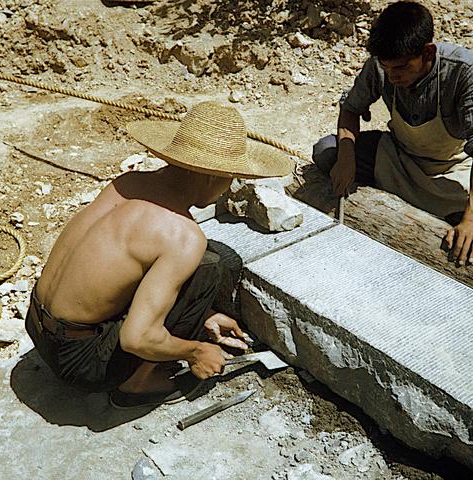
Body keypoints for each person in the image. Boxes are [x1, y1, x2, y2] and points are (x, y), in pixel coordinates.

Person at [25, 101, 293, 408]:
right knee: (210, 265)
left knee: (203, 260)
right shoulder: (181, 234)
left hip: (37, 327)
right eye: (230, 177)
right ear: (210, 176)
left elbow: (113, 271)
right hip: (78, 362)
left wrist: (201, 315)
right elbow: (135, 339)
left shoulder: (128, 183)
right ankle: (136, 384)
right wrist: (195, 352)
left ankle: (160, 344)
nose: (228, 188)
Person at [313, 1, 473, 266]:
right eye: (387, 68)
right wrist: (346, 158)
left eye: (401, 68)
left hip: (446, 172)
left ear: (427, 53)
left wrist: (471, 220)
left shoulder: (463, 70)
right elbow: (350, 110)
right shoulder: (381, 65)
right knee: (327, 152)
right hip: (397, 157)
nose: (392, 77)